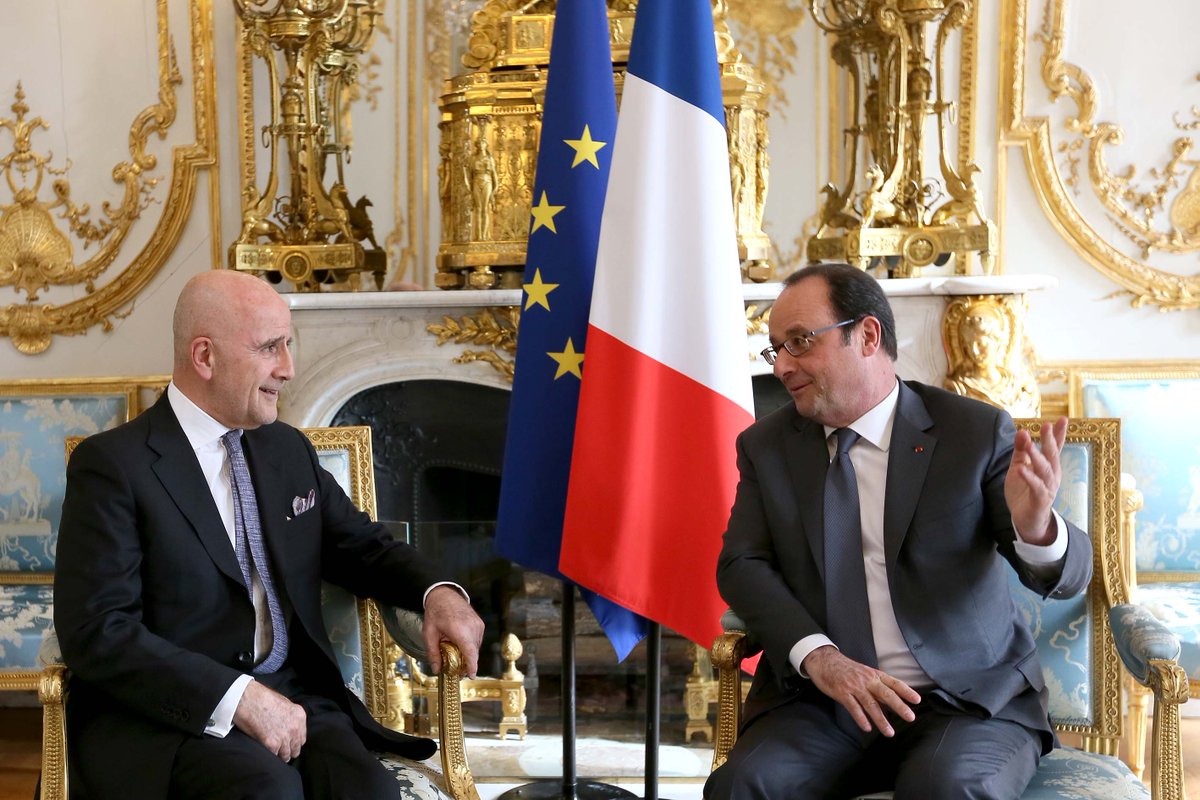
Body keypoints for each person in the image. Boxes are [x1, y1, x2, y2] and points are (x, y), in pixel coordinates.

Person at [54, 270, 485, 800]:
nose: (288, 367)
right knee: (267, 793)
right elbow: (97, 630)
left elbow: (363, 548)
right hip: (177, 716)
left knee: (370, 792)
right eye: (269, 348)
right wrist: (237, 698)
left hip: (297, 697)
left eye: (288, 344)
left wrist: (438, 592)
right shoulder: (114, 466)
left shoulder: (287, 451)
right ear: (205, 357)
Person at [706, 263, 1092, 800]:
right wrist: (821, 658)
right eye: (777, 349)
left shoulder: (971, 432)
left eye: (799, 342)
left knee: (946, 790)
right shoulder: (768, 446)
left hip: (965, 702)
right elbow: (741, 564)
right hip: (827, 702)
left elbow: (1067, 578)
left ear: (867, 335)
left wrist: (1037, 528)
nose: (783, 366)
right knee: (744, 787)